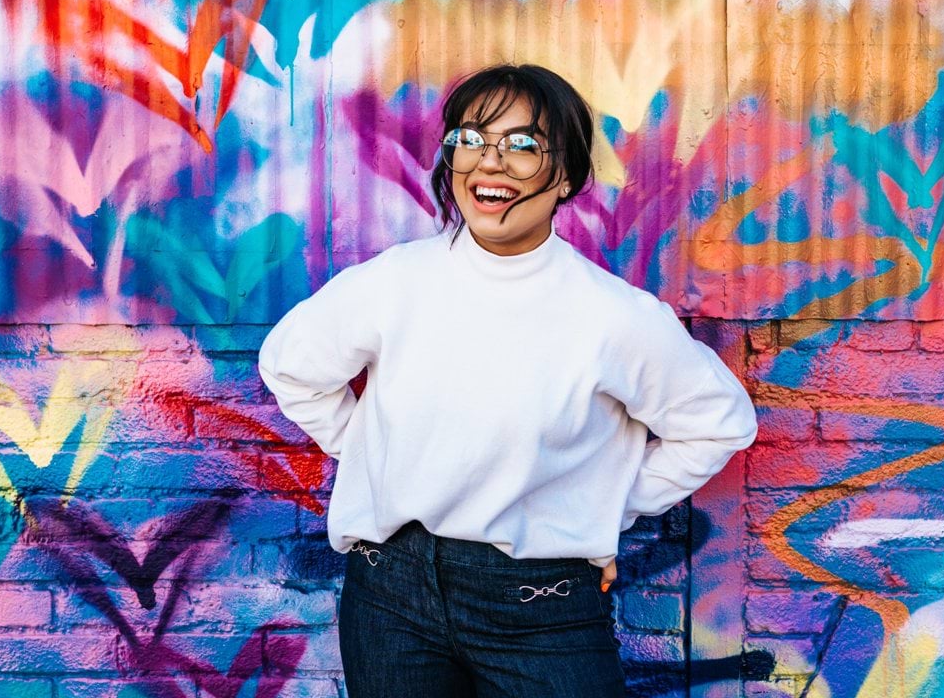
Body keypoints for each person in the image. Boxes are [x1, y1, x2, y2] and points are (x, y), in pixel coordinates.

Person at [258, 64, 757, 698]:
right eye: (471, 140)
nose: (489, 164)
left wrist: (604, 506)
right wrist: (372, 455)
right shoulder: (395, 282)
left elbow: (719, 424)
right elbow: (291, 366)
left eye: (523, 146)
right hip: (389, 597)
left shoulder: (612, 316)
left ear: (567, 177)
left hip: (542, 607)